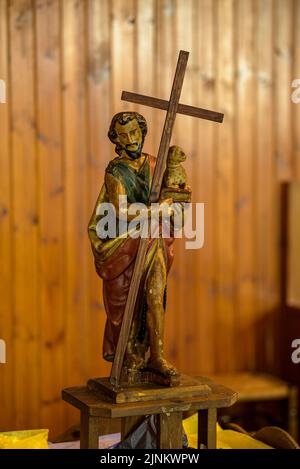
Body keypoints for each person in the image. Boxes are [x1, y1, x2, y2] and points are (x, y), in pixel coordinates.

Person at [88, 111, 187, 378]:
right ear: (116, 140)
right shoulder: (115, 171)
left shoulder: (155, 165)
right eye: (124, 136)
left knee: (155, 294)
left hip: (154, 241)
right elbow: (120, 211)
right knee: (126, 308)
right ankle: (130, 355)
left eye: (135, 133)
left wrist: (177, 197)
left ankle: (157, 356)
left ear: (143, 132)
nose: (131, 140)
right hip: (123, 245)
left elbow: (176, 201)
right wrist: (158, 211)